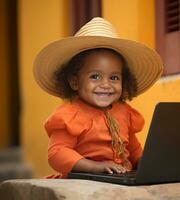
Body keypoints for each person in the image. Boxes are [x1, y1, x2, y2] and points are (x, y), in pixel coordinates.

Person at [33, 17, 163, 178]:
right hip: (81, 182)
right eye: (95, 76)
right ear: (74, 81)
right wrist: (95, 167)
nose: (106, 84)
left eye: (114, 78)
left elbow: (134, 149)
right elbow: (57, 154)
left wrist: (148, 164)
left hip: (119, 180)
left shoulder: (125, 113)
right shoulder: (70, 115)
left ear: (125, 80)